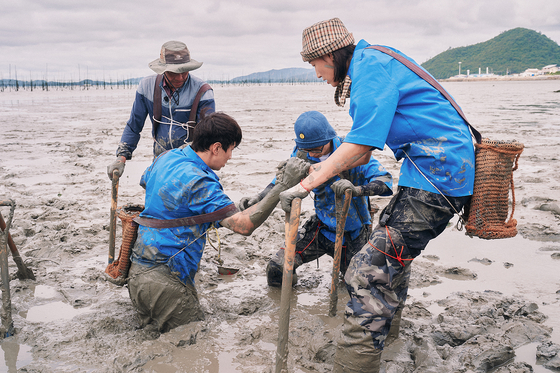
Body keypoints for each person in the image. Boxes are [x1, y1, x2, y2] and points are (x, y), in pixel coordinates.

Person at [279, 18, 475, 372]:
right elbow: (364, 148)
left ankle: (354, 365)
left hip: (439, 176)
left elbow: (361, 146)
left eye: (314, 65)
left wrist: (306, 184)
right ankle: (389, 338)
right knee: (391, 253)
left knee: (366, 271)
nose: (316, 74)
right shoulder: (375, 60)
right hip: (431, 173)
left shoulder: (369, 66)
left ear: (329, 55)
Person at [127, 111, 310, 333]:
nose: (230, 157)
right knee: (193, 344)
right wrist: (283, 185)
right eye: (230, 149)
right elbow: (244, 226)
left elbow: (147, 182)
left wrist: (211, 211)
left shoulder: (167, 157)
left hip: (137, 273)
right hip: (165, 282)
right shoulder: (199, 180)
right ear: (215, 147)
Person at [240, 111, 392, 287]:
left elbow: (386, 181)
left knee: (357, 286)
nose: (312, 154)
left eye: (317, 149)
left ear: (329, 139)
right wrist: (258, 198)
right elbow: (281, 181)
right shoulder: (302, 154)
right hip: (323, 227)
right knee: (278, 268)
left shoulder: (351, 151)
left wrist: (357, 190)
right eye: (307, 150)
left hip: (354, 233)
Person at [106, 40, 216, 180]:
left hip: (192, 164)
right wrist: (121, 158)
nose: (180, 77)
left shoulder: (203, 91)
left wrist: (182, 155)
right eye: (174, 73)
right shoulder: (147, 87)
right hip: (160, 161)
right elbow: (134, 125)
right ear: (163, 69)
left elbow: (208, 135)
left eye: (184, 71)